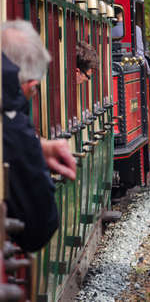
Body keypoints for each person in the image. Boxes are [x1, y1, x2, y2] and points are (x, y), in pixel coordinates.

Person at [1, 20, 75, 251]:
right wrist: (30, 145)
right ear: (30, 84)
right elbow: (37, 228)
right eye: (34, 91)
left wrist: (38, 145)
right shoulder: (10, 125)